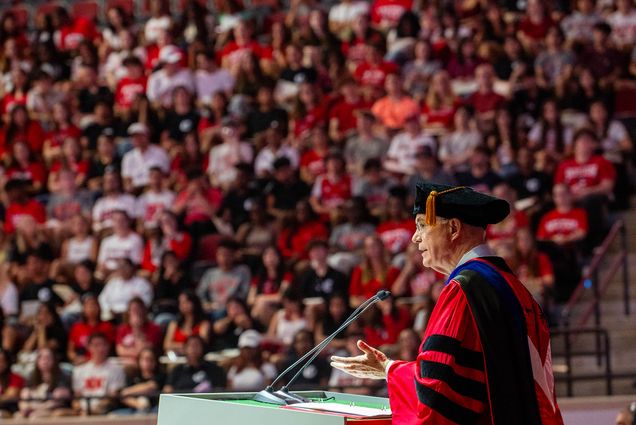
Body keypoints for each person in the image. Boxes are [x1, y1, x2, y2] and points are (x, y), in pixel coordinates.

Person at [330, 182, 563, 425]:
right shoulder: (512, 287)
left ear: (453, 228)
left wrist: (391, 370)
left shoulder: (463, 290)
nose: (414, 236)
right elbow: (461, 376)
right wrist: (387, 367)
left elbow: (438, 396)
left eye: (422, 225)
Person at [72, 332, 126, 415]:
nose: (101, 349)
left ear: (108, 346)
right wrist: (80, 410)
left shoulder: (117, 369)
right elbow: (76, 398)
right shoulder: (79, 370)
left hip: (104, 411)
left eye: (103, 345)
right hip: (82, 411)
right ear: (89, 347)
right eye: (96, 345)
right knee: (59, 415)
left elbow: (112, 397)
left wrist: (93, 412)